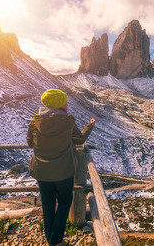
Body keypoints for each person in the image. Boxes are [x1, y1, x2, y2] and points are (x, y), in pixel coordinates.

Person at [27, 89, 92, 246]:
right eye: (65, 101)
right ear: (59, 104)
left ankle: (51, 239)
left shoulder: (35, 121)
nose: (67, 104)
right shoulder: (68, 122)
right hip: (63, 172)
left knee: (47, 205)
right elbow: (79, 140)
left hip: (42, 171)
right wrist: (89, 127)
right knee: (64, 202)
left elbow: (30, 143)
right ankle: (55, 240)